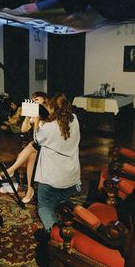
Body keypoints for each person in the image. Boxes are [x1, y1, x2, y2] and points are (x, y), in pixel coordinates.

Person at [33, 92, 81, 234]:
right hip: (71, 178)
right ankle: (63, 205)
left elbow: (37, 139)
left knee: (44, 207)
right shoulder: (75, 119)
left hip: (52, 180)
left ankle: (55, 232)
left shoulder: (49, 127)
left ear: (52, 109)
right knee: (60, 200)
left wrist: (36, 121)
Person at [0, 91, 50, 203]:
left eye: (37, 99)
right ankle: (30, 190)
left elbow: (40, 138)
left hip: (48, 147)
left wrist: (36, 122)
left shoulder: (49, 114)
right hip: (38, 147)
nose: (34, 101)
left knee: (31, 145)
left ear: (44, 100)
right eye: (33, 99)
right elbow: (23, 130)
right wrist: (27, 117)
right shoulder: (35, 114)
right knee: (31, 155)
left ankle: (11, 170)